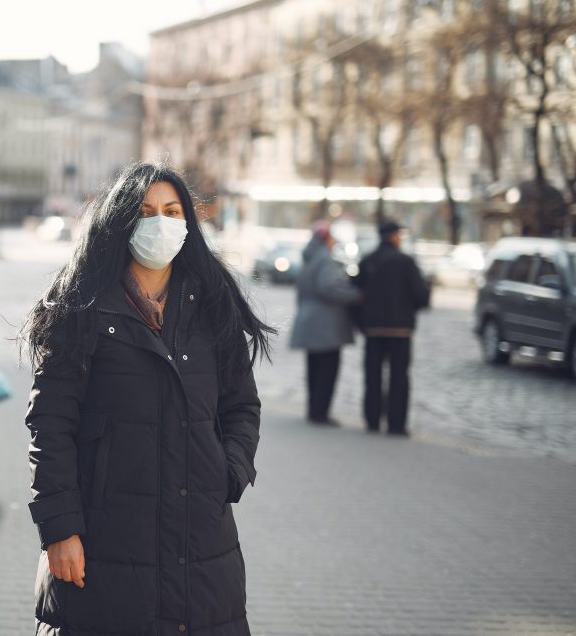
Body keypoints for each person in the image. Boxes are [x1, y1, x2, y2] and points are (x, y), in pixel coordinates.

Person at [23, 162, 273, 636]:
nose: (160, 222)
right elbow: (50, 425)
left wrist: (230, 471)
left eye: (171, 210)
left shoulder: (213, 305)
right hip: (105, 539)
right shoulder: (78, 308)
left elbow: (242, 405)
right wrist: (59, 528)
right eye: (145, 211)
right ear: (119, 223)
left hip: (202, 544)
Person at [354, 219, 430, 436]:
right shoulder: (406, 262)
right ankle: (396, 424)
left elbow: (356, 296)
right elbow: (421, 296)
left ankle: (372, 420)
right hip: (400, 330)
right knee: (399, 377)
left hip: (373, 329)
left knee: (372, 376)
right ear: (396, 236)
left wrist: (363, 323)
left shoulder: (368, 261)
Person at [289, 221, 360, 426]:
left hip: (309, 321)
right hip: (326, 325)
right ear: (326, 238)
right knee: (327, 370)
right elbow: (328, 287)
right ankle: (320, 412)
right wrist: (354, 295)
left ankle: (314, 409)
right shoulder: (325, 260)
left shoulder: (309, 259)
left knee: (314, 368)